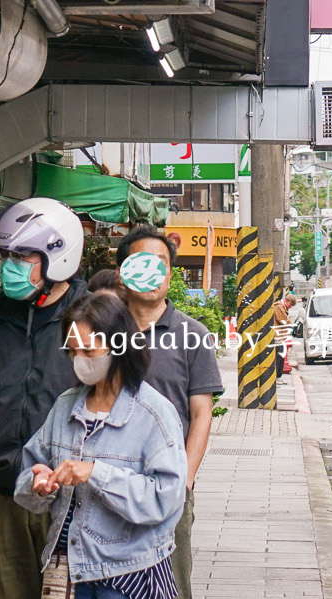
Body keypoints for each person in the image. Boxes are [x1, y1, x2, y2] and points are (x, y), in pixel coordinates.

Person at [17, 290, 187, 599]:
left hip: (129, 575)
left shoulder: (154, 414)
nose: (78, 361)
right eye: (72, 351)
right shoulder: (64, 407)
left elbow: (166, 500)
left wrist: (95, 473)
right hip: (67, 570)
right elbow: (30, 470)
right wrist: (38, 482)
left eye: (88, 351)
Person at [0, 198, 89, 599]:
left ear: (59, 257)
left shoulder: (92, 324)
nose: (10, 266)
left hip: (73, 500)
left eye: (22, 255)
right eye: (7, 255)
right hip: (3, 496)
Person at [114, 225, 224, 599]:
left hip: (166, 486)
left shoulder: (193, 335)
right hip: (106, 483)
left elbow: (201, 414)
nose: (152, 271)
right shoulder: (99, 333)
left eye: (161, 263)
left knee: (171, 587)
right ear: (122, 272)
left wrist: (185, 481)